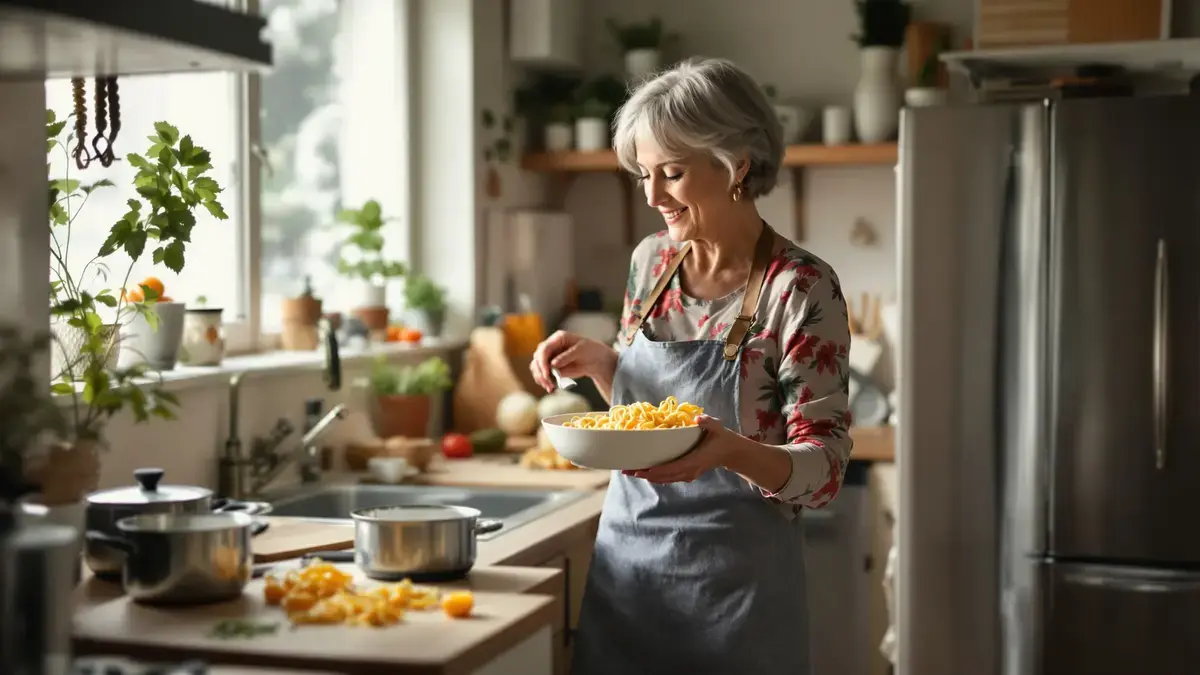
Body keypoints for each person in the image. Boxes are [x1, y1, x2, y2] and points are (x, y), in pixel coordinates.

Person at [530, 57, 853, 675]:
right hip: (628, 581)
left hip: (736, 601)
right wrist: (606, 366)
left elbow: (827, 469)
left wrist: (728, 450)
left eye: (671, 174)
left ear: (735, 167)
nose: (652, 197)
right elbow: (645, 422)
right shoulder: (652, 262)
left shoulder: (802, 287)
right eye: (643, 175)